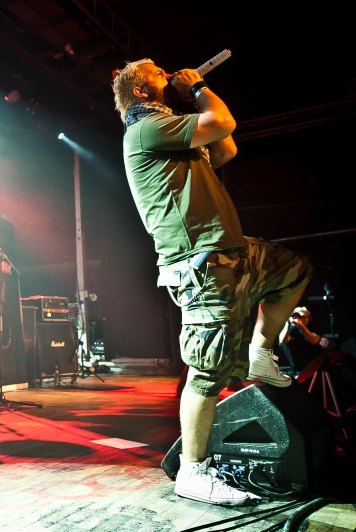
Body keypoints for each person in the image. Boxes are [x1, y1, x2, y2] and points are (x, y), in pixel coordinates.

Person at [112, 60, 313, 505]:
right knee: (207, 372)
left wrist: (194, 103)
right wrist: (198, 86)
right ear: (142, 88)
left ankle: (261, 353)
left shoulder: (172, 134)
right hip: (200, 262)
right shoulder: (146, 130)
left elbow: (225, 147)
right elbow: (222, 120)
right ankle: (193, 471)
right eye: (159, 72)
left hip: (231, 250)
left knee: (295, 269)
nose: (168, 73)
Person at [279, 306, 331, 375]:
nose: (301, 319)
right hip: (298, 366)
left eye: (303, 317)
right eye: (299, 317)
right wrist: (287, 324)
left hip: (314, 363)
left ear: (309, 318)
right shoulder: (293, 328)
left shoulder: (314, 326)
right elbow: (282, 341)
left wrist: (301, 326)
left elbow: (315, 341)